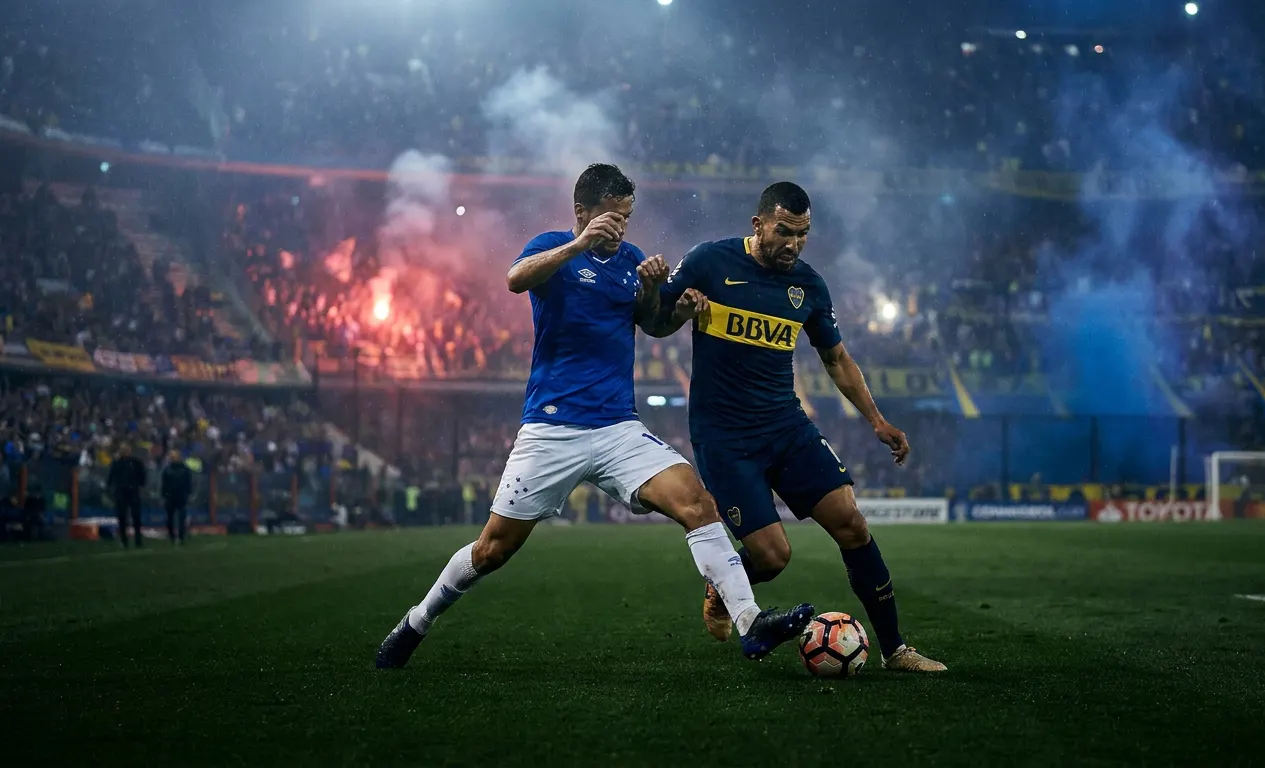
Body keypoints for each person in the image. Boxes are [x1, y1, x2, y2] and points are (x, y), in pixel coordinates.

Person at [376, 164, 813, 669]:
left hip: (617, 429)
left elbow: (652, 326)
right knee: (492, 550)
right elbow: (515, 280)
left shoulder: (630, 261)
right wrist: (580, 243)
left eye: (627, 218)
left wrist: (668, 300)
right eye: (612, 217)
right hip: (551, 428)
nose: (621, 228)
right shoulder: (554, 246)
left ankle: (749, 622)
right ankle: (417, 621)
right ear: (582, 212)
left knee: (697, 502)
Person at [648, 181, 947, 673]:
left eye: (802, 234)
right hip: (725, 438)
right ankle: (723, 587)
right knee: (771, 557)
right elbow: (654, 322)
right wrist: (678, 311)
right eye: (783, 231)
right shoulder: (708, 261)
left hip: (786, 425)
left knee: (851, 522)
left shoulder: (807, 285)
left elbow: (836, 358)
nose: (792, 243)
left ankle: (896, 650)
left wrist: (876, 420)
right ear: (758, 224)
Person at [107, 443, 147, 548]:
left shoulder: (136, 463)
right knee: (122, 518)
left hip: (133, 492)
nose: (125, 452)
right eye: (123, 450)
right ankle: (124, 540)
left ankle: (138, 540)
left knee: (136, 518)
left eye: (127, 449)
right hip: (121, 493)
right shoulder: (116, 463)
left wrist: (139, 485)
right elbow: (111, 477)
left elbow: (142, 475)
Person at [161, 449, 193, 544]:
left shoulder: (185, 469)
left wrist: (188, 494)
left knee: (181, 517)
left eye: (174, 456)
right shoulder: (167, 470)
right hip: (170, 497)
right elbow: (164, 484)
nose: (172, 458)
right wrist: (164, 495)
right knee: (169, 517)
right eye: (171, 456)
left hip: (181, 496)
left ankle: (181, 536)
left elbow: (188, 483)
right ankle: (171, 535)